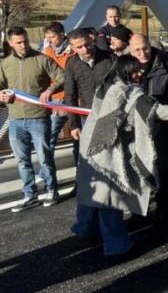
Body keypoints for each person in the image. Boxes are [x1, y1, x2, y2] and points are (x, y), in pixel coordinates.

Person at [71, 55, 168, 255]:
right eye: (136, 70)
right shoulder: (127, 92)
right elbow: (154, 111)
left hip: (91, 147)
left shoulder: (106, 86)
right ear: (125, 71)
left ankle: (84, 229)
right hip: (108, 152)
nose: (140, 73)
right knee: (109, 200)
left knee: (91, 194)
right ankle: (117, 245)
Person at [0, 27, 64, 212]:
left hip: (39, 119)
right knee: (22, 160)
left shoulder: (42, 59)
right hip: (15, 120)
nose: (24, 45)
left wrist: (50, 90)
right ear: (11, 43)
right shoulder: (5, 64)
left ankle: (52, 190)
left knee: (44, 157)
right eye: (19, 42)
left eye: (25, 41)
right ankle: (30, 195)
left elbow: (63, 77)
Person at [129, 33, 168, 229]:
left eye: (145, 48)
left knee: (162, 173)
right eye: (137, 50)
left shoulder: (167, 67)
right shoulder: (125, 68)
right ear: (130, 49)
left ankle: (162, 209)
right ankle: (138, 212)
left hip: (161, 128)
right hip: (135, 129)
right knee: (136, 171)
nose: (143, 53)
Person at [64, 29, 115, 164]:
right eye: (79, 47)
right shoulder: (72, 64)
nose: (85, 49)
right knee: (84, 152)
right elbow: (70, 95)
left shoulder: (109, 58)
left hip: (110, 114)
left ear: (92, 40)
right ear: (73, 48)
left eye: (87, 44)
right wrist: (74, 125)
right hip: (87, 117)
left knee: (110, 152)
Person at [42, 21, 73, 153]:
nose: (49, 41)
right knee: (50, 137)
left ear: (62, 35)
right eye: (47, 37)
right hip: (53, 99)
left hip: (71, 98)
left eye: (52, 37)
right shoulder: (47, 52)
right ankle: (47, 172)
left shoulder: (73, 51)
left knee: (80, 136)